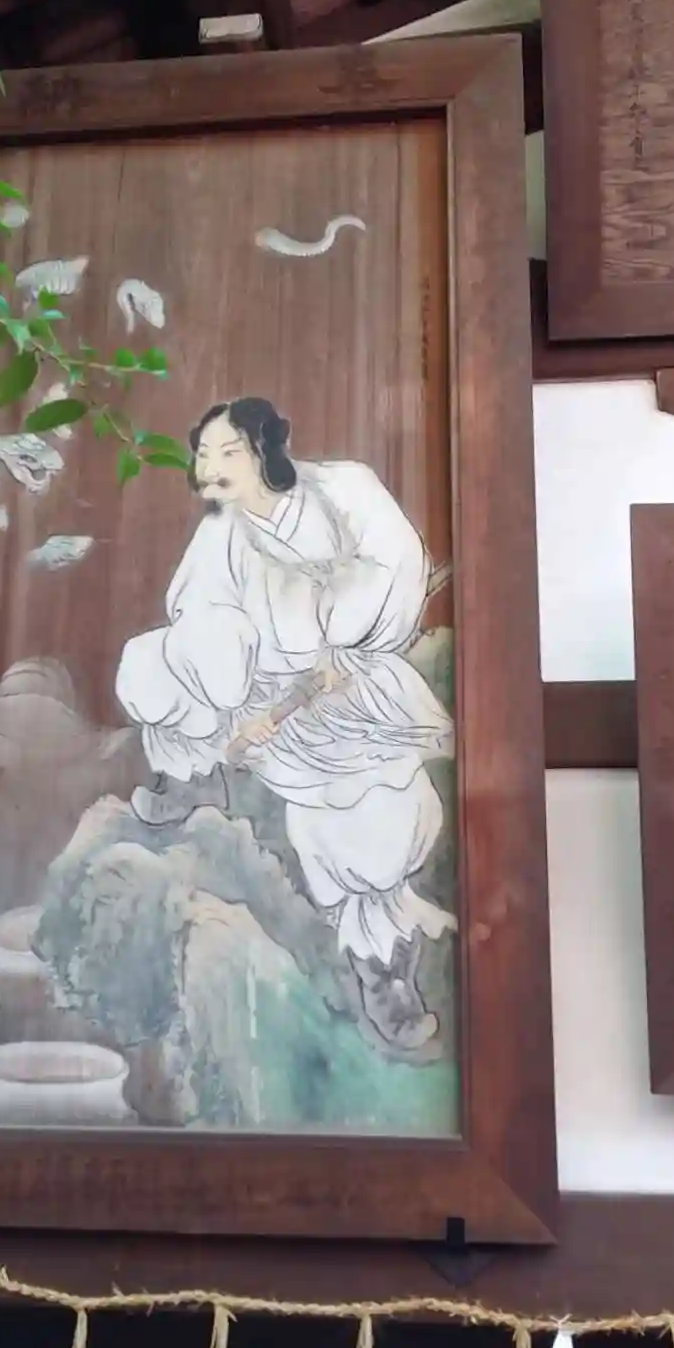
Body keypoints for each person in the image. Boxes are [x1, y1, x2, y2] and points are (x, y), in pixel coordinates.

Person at [115, 397, 455, 1052]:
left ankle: (385, 970)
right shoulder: (224, 528)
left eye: (227, 452)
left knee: (368, 821)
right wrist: (227, 673)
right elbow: (198, 607)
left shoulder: (343, 489)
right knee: (155, 661)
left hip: (351, 682)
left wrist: (344, 635)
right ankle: (191, 776)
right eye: (204, 454)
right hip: (268, 694)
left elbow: (395, 568)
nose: (210, 468)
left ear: (264, 450)